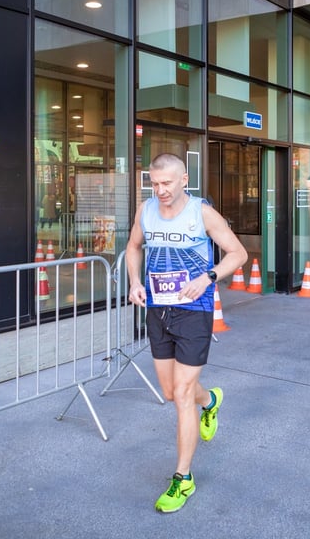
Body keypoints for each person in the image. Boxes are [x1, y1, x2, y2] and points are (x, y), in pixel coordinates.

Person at [126, 153, 248, 513]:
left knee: (181, 394)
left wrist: (207, 277)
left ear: (184, 180)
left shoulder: (201, 213)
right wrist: (134, 281)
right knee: (169, 391)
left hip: (194, 311)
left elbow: (237, 254)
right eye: (154, 182)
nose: (160, 190)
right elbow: (133, 247)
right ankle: (210, 401)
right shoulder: (146, 210)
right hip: (158, 310)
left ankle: (183, 478)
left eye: (167, 183)